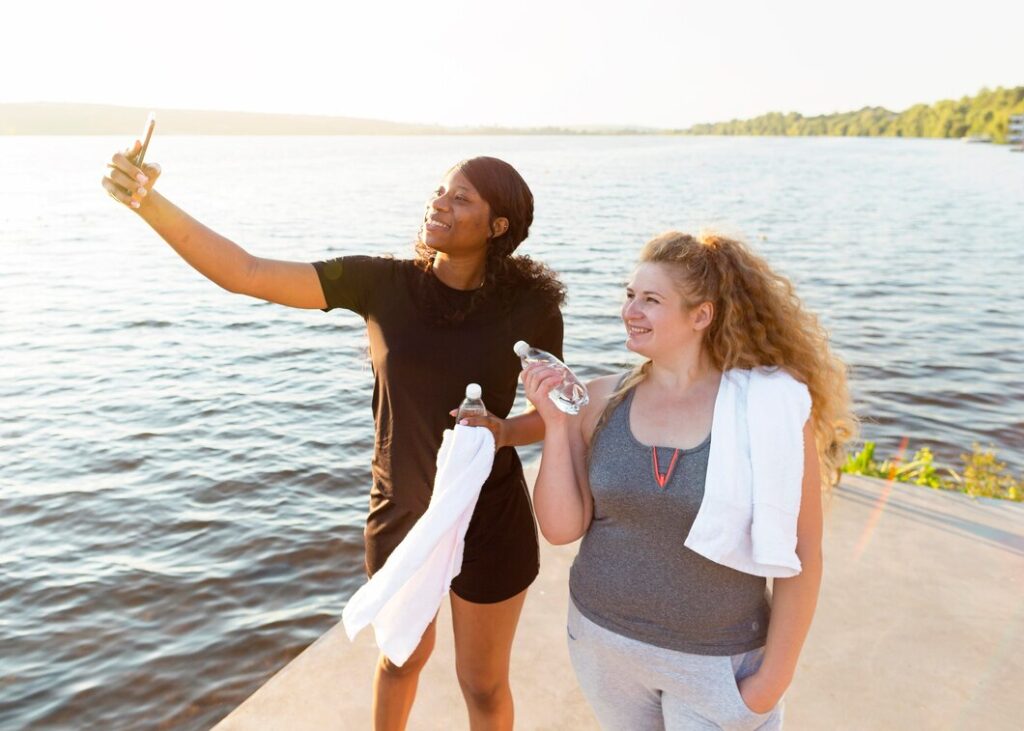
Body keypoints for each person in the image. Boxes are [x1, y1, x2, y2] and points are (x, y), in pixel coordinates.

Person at [102, 144, 565, 731]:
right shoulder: (382, 284)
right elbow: (246, 273)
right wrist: (147, 202)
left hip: (489, 516)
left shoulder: (531, 307)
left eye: (460, 197)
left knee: (482, 684)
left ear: (497, 226)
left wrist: (502, 433)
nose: (439, 201)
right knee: (400, 660)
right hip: (402, 512)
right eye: (440, 189)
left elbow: (553, 411)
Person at [522, 231, 855, 730]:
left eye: (651, 300)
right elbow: (562, 528)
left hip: (717, 663)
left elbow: (804, 551)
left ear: (701, 315)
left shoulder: (766, 411)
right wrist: (556, 423)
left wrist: (772, 680)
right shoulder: (599, 400)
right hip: (603, 645)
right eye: (629, 295)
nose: (631, 310)